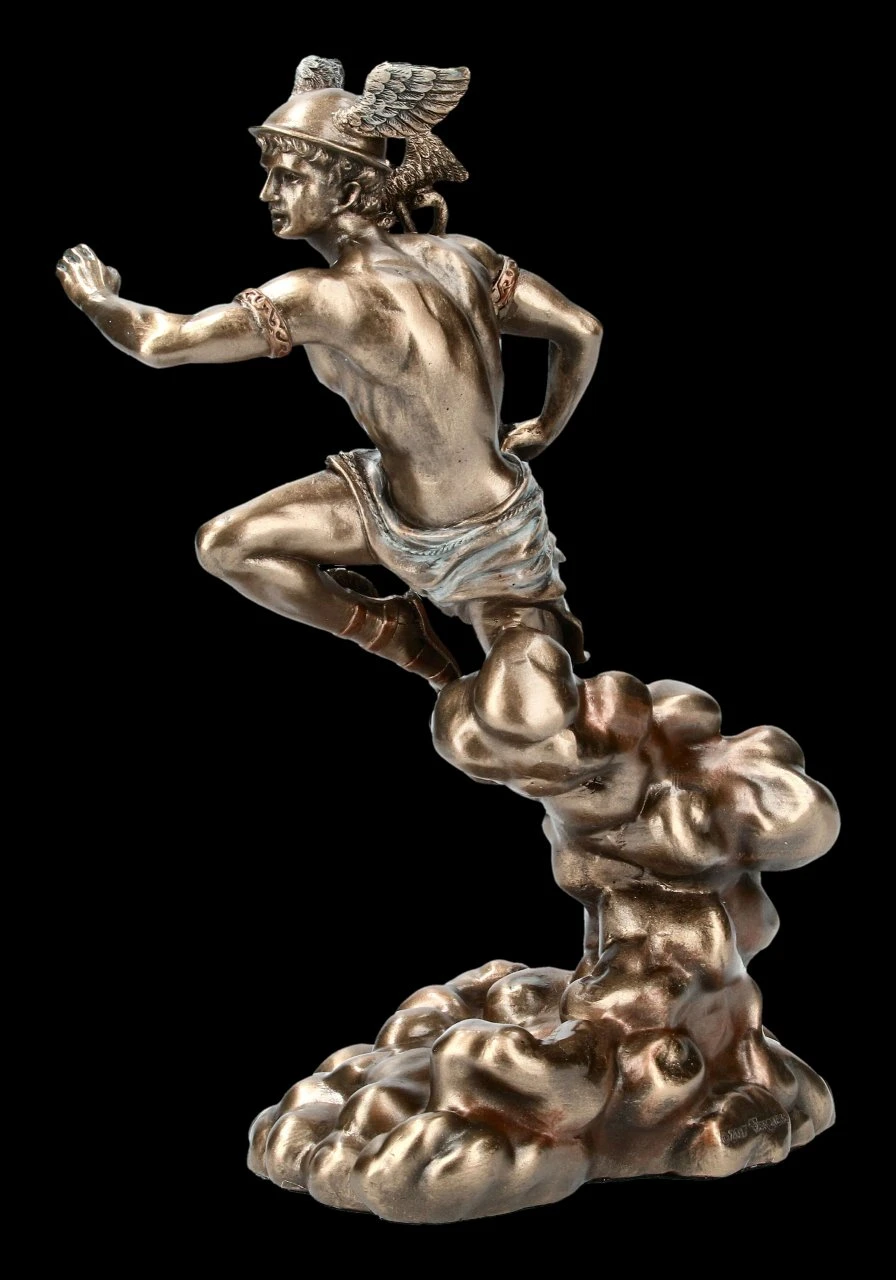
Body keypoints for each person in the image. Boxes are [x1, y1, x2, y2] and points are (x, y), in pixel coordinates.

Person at [56, 56, 602, 689]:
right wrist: (543, 427)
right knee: (227, 543)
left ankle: (405, 637)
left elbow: (161, 343)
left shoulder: (324, 296)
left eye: (288, 177)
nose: (267, 194)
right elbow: (581, 329)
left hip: (485, 545)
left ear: (346, 192)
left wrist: (97, 299)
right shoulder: (463, 256)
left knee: (534, 709)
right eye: (269, 174)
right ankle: (394, 630)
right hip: (451, 503)